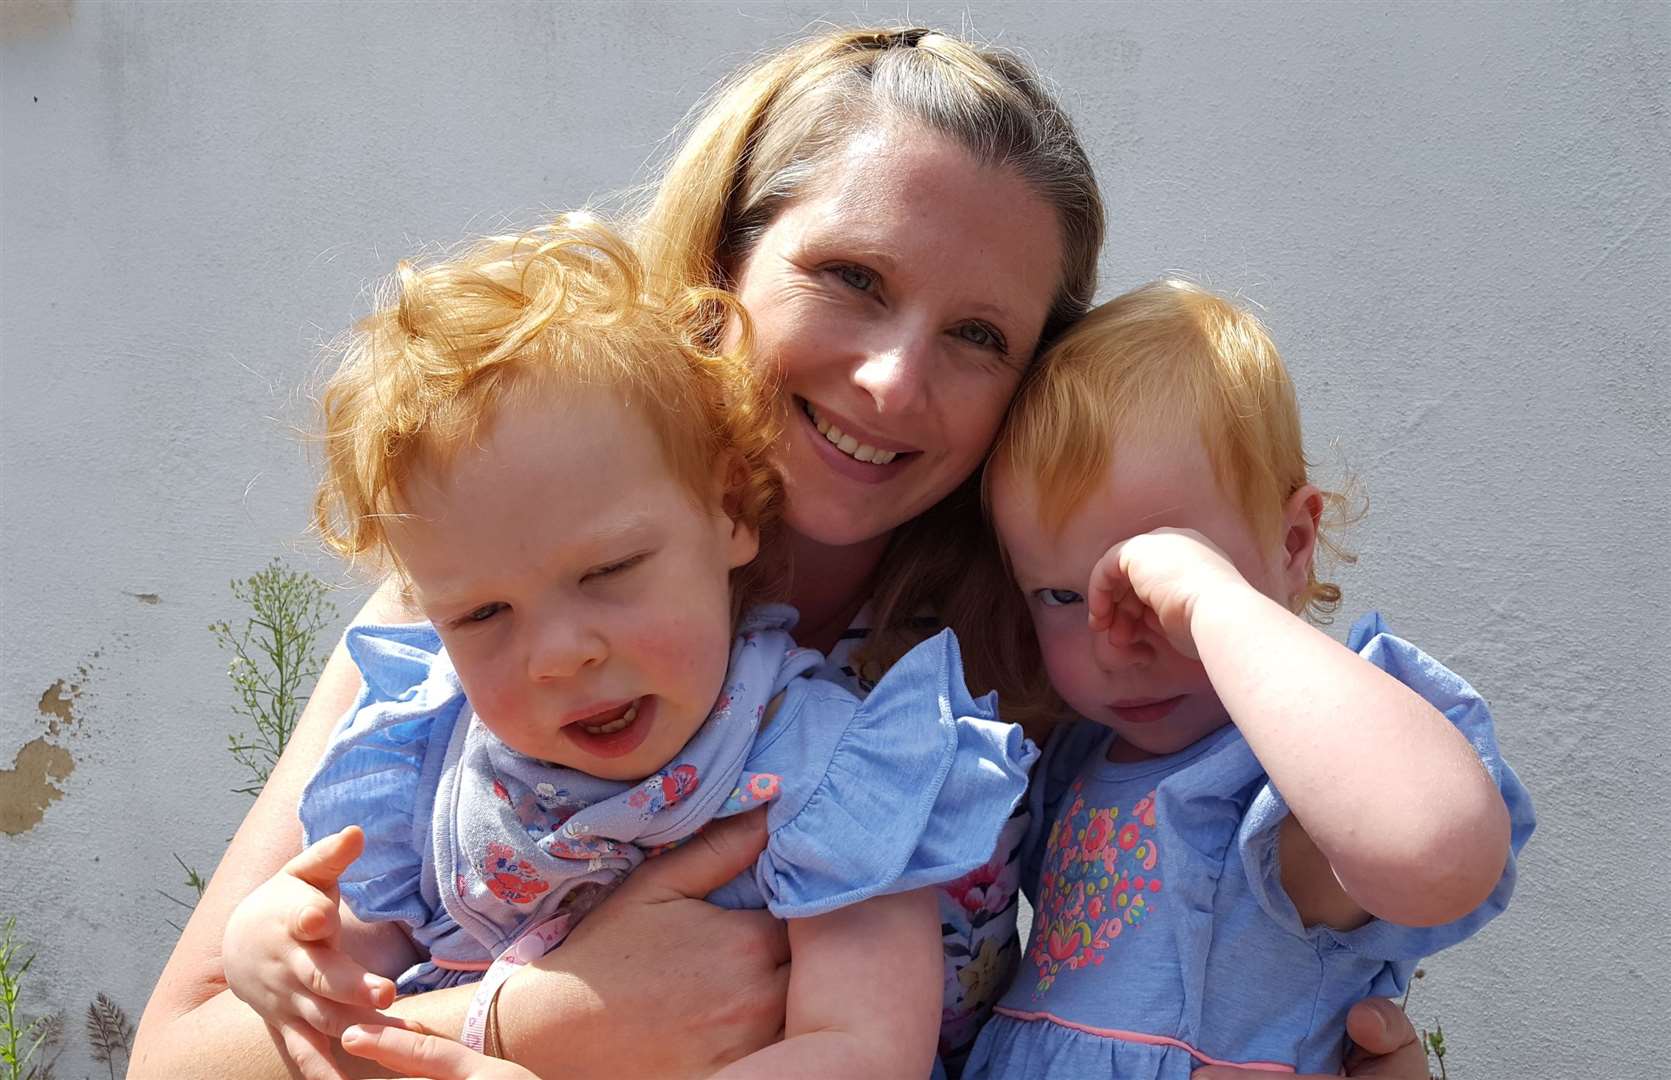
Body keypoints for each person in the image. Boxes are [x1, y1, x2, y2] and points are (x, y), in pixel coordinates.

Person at [133, 27, 1430, 1080]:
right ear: (722, 267)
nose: (889, 378)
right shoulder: (503, 586)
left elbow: (1224, 932)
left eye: (977, 336)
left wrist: (1332, 1038)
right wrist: (524, 1023)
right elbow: (180, 1057)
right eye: (851, 278)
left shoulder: (1031, 658)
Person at [217, 215, 1035, 1078]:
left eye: (607, 570)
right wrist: (270, 943)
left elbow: (863, 1052)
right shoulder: (434, 761)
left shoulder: (826, 771)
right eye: (483, 615)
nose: (558, 655)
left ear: (727, 510)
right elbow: (355, 970)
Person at [961, 281, 1535, 1077]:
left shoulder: (1280, 785)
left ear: (1293, 543)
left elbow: (1435, 852)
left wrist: (1210, 601)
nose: (1119, 644)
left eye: (1160, 588)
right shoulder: (1073, 763)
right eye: (1062, 596)